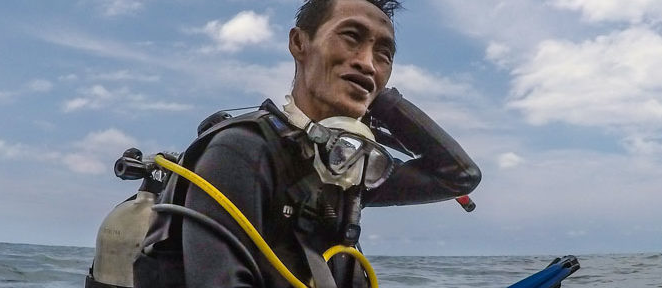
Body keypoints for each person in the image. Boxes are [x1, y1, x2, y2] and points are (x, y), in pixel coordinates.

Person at [139, 0, 481, 287]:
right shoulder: (239, 152)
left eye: (383, 54)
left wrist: (377, 96)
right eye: (351, 37)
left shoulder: (346, 165)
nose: (367, 61)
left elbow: (458, 176)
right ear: (299, 44)